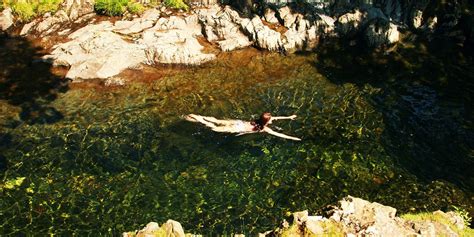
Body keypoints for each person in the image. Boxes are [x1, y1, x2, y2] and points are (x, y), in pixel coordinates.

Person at [185, 112, 301, 141]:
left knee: (217, 120)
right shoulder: (265, 129)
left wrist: (289, 117)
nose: (273, 119)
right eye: (271, 119)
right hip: (237, 128)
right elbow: (279, 134)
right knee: (214, 127)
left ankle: (201, 116)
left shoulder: (258, 120)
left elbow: (276, 118)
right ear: (267, 121)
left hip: (239, 122)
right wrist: (293, 138)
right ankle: (200, 120)